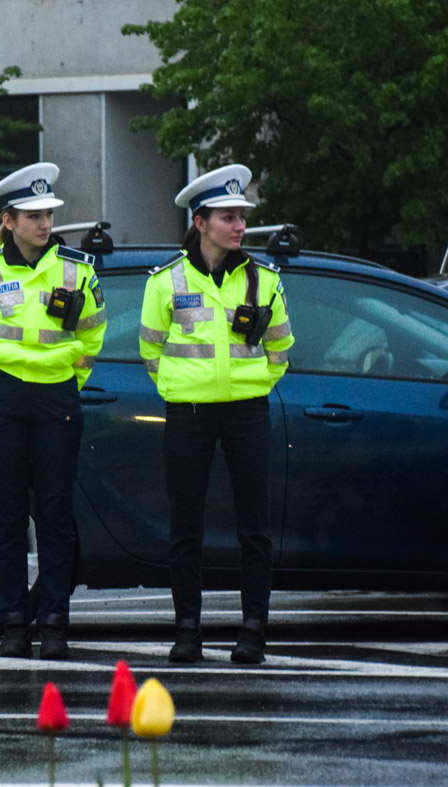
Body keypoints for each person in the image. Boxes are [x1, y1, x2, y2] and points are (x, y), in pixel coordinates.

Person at [138, 164, 294, 665]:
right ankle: (188, 632)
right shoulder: (165, 282)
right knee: (186, 528)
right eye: (228, 217)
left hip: (247, 412)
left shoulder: (264, 279)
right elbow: (150, 350)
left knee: (255, 528)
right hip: (189, 413)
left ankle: (253, 632)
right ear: (200, 222)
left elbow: (281, 349)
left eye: (242, 217)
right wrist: (180, 388)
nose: (239, 226)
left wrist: (253, 387)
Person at [0, 163, 107, 660]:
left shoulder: (77, 270)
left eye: (49, 215)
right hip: (3, 398)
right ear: (9, 220)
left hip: (57, 396)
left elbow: (93, 337)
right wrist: (2, 377)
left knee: (57, 514)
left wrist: (66, 378)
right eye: (34, 216)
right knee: (10, 513)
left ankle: (55, 622)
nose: (45, 223)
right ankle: (14, 622)